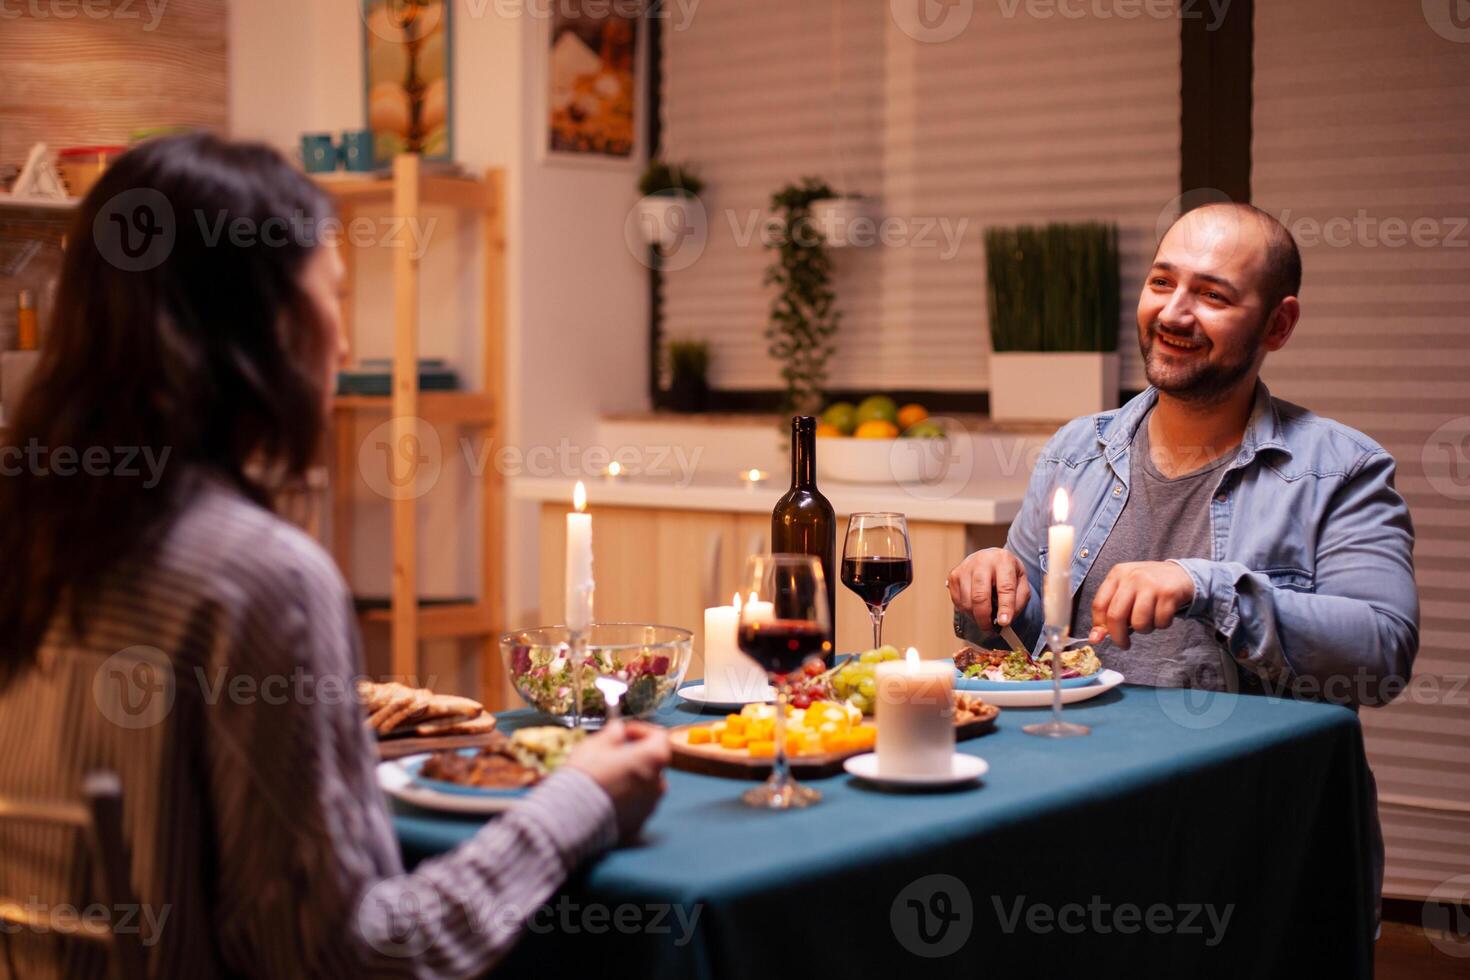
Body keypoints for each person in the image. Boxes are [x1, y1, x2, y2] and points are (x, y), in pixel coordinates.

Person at [0, 133, 670, 978]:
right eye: (335, 299)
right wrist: (582, 802)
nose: (347, 348)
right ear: (266, 324)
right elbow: (356, 956)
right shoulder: (260, 578)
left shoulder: (32, 540)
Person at [949, 202, 1418, 914]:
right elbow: (1021, 642)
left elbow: (1381, 656)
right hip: (1066, 814)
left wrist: (1207, 586)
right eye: (1162, 282)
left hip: (1243, 842)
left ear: (1279, 325)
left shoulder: (1341, 468)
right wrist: (988, 588)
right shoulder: (1076, 448)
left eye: (1213, 295)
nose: (1174, 312)